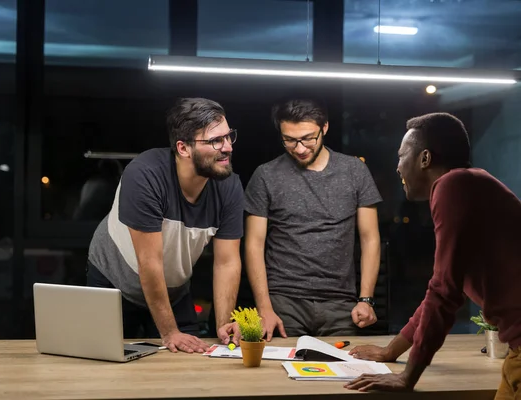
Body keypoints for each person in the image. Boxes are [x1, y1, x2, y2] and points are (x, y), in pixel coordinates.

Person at [345, 112, 521, 398]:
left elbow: (444, 293)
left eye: (402, 156)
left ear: (425, 158)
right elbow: (439, 292)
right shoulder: (472, 183)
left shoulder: (452, 186)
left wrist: (407, 377)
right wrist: (392, 351)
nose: (398, 168)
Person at [86, 98, 244, 354]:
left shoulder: (229, 186)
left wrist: (224, 323)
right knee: (106, 365)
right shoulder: (145, 175)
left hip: (173, 287)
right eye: (216, 141)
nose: (227, 147)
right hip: (114, 280)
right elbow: (149, 263)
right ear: (183, 148)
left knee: (187, 362)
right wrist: (169, 332)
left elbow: (226, 262)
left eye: (229, 137)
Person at [244, 99, 383, 340]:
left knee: (344, 374)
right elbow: (254, 245)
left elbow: (370, 239)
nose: (299, 148)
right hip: (283, 303)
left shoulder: (354, 171)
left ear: (325, 128)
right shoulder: (265, 175)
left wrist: (366, 299)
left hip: (341, 304)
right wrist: (264, 307)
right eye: (289, 139)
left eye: (308, 138)